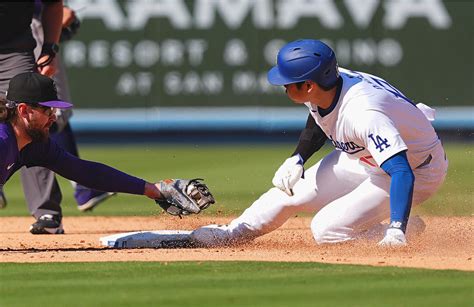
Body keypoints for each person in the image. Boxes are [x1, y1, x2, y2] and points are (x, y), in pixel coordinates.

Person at [190, 39, 448, 247]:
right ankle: (232, 234)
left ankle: (402, 228)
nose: (284, 87)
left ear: (310, 85)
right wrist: (298, 157)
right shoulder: (329, 84)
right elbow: (322, 114)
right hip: (363, 157)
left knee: (327, 230)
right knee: (285, 194)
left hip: (416, 169)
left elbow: (401, 171)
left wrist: (396, 230)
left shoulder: (363, 113)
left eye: (288, 83)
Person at [1, 72, 208, 234]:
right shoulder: (3, 141)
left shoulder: (35, 144)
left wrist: (152, 189)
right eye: (48, 111)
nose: (53, 117)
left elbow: (85, 172)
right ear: (24, 111)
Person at [0, 2, 113, 234]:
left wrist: (50, 48)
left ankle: (46, 211)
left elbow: (53, 3)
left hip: (14, 47)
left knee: (29, 120)